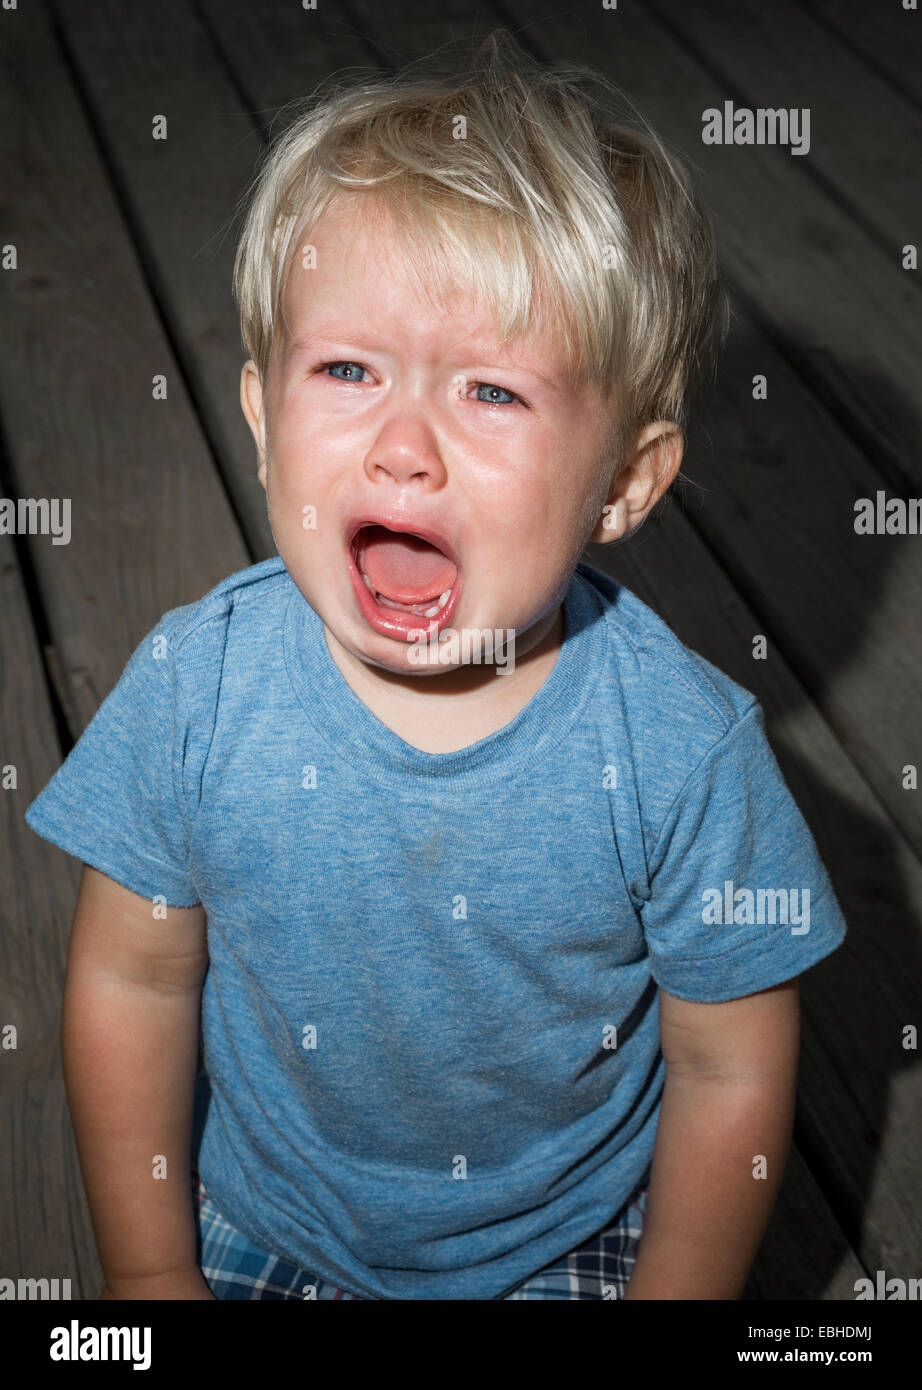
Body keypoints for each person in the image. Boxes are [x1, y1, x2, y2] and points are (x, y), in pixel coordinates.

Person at [25, 30, 846, 1300]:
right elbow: (132, 973)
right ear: (259, 416)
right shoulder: (198, 690)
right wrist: (145, 1278)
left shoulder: (680, 753)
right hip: (266, 1212)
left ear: (624, 483)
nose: (403, 445)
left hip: (566, 1236)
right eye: (347, 369)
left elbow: (730, 1063)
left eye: (493, 392)